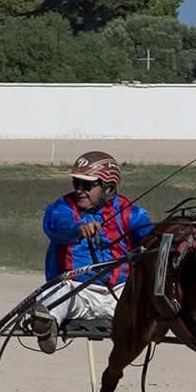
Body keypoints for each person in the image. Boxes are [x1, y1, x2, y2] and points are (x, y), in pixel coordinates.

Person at [31, 150, 151, 353]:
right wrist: (77, 229)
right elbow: (56, 226)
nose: (79, 190)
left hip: (118, 296)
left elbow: (151, 240)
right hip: (77, 292)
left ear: (108, 187)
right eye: (76, 183)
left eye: (87, 185)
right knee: (54, 292)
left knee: (148, 294)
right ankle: (47, 325)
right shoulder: (63, 207)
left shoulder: (132, 214)